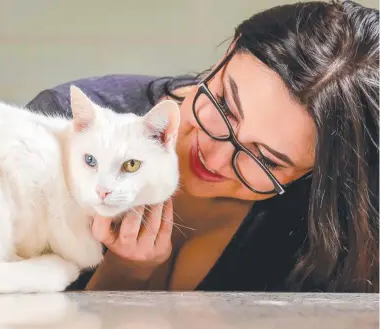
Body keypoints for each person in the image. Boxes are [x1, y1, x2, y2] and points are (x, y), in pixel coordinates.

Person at [25, 0, 379, 293]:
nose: (215, 157)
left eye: (267, 159)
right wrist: (125, 273)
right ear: (229, 52)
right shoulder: (63, 134)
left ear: (315, 175)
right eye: (225, 104)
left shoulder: (330, 230)